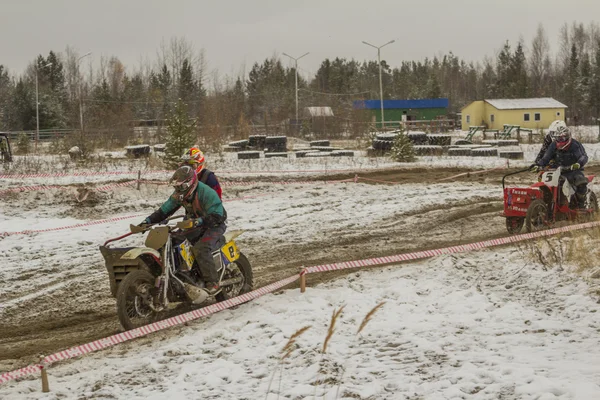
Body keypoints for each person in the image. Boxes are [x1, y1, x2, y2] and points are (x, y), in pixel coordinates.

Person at [141, 165, 227, 293]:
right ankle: (184, 275)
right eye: (176, 187)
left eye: (180, 187)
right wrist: (147, 221)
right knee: (175, 241)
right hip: (194, 224)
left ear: (189, 183)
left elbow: (219, 215)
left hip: (214, 224)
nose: (178, 190)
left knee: (201, 248)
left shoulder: (206, 192)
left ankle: (212, 282)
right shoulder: (179, 195)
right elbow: (164, 210)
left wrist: (200, 221)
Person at [531, 124, 589, 209]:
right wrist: (538, 165)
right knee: (543, 180)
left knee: (580, 180)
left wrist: (578, 164)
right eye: (558, 138)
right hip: (557, 170)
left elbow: (583, 156)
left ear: (568, 137)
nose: (560, 141)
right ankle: (547, 202)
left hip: (573, 170)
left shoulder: (575, 145)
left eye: (562, 138)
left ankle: (582, 204)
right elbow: (546, 158)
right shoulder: (553, 145)